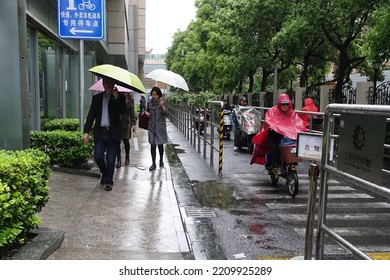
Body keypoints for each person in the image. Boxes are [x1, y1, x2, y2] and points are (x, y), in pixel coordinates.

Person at [83, 77, 126, 191]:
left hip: (113, 134)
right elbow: (91, 115)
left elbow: (123, 111)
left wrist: (116, 97)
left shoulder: (118, 98)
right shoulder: (97, 98)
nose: (108, 85)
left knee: (111, 159)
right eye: (106, 83)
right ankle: (106, 173)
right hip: (100, 133)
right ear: (102, 84)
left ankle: (108, 181)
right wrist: (86, 131)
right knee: (98, 156)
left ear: (114, 85)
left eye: (110, 83)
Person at [250, 93, 306, 174]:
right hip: (275, 134)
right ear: (279, 104)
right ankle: (275, 164)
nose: (285, 106)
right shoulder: (272, 111)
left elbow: (298, 123)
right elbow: (269, 122)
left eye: (287, 104)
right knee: (273, 147)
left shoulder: (292, 113)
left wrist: (301, 129)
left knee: (295, 147)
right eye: (283, 104)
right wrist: (276, 128)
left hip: (289, 137)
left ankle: (291, 162)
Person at [144, 86, 169, 171]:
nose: (154, 96)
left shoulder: (162, 102)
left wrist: (163, 107)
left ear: (158, 95)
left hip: (160, 127)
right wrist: (146, 113)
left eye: (155, 95)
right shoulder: (149, 103)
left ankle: (161, 160)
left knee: (160, 145)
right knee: (152, 144)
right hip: (151, 126)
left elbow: (166, 113)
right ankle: (153, 163)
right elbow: (146, 111)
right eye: (153, 94)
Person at [116, 91, 136, 168]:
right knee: (117, 142)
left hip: (126, 123)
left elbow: (132, 113)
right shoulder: (117, 98)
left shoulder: (131, 100)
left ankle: (127, 157)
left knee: (126, 141)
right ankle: (118, 159)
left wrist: (133, 124)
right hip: (118, 122)